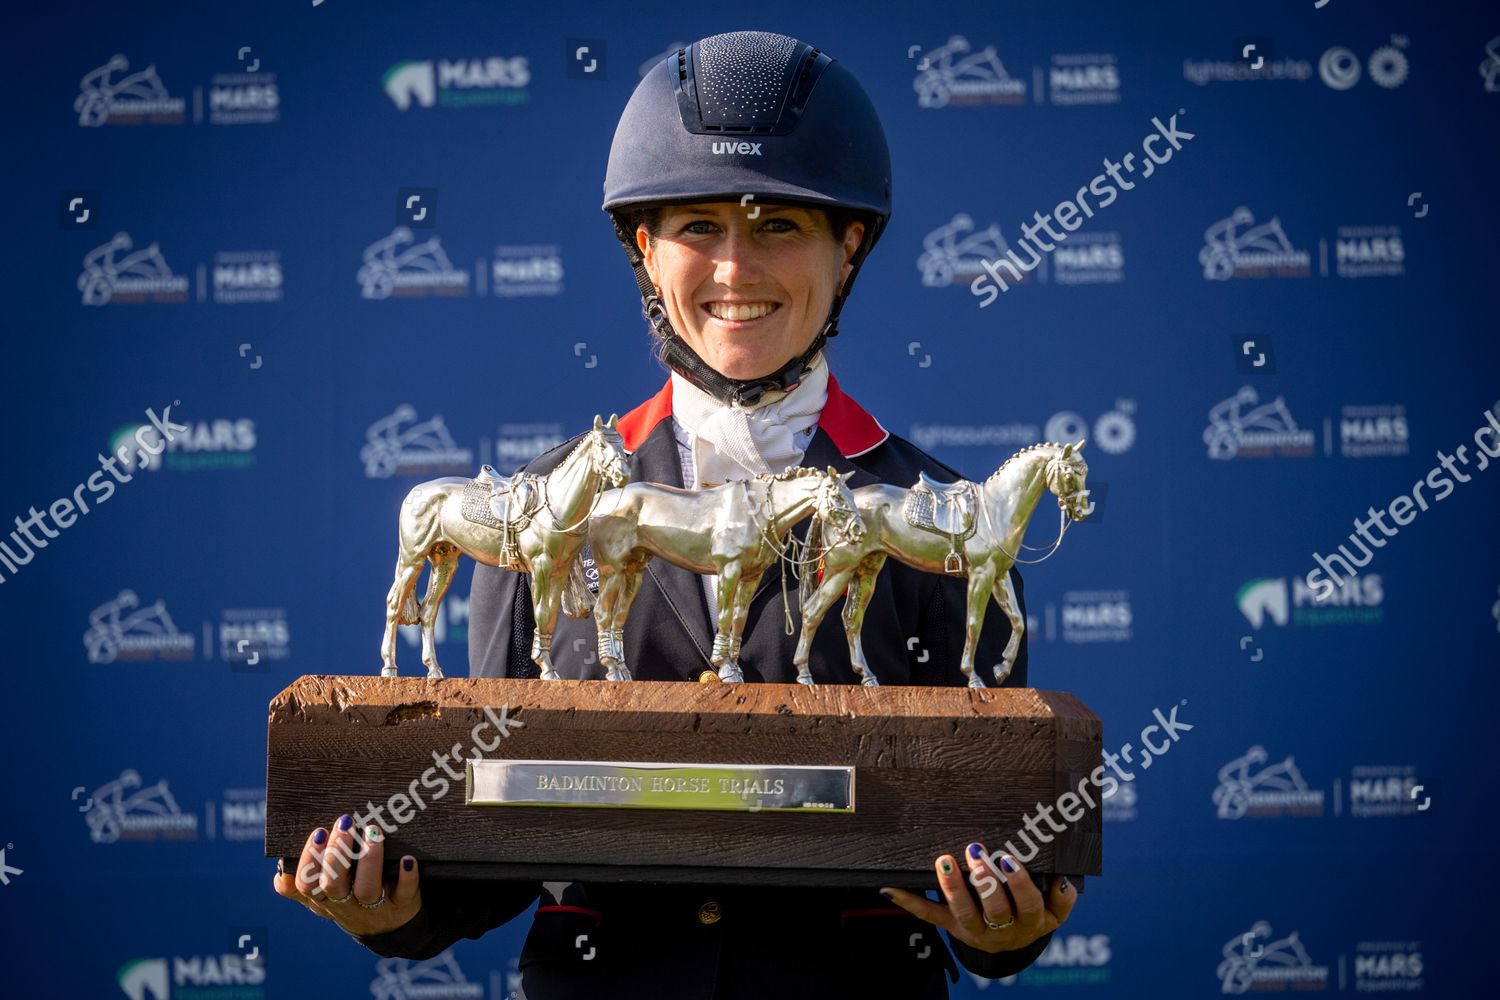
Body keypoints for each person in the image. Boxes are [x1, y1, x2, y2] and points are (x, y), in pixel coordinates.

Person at [275, 30, 1078, 997]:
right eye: (699, 226)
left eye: (781, 225)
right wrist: (389, 906)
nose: (736, 270)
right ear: (646, 250)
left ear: (848, 244)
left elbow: (991, 835)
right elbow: (477, 839)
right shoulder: (537, 513)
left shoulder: (943, 522)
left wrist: (1003, 927)